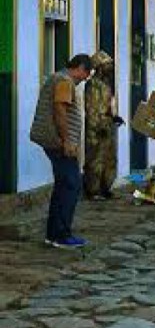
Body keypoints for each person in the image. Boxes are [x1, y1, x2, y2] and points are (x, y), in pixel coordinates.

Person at [30, 54, 92, 249]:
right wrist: (66, 141)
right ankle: (61, 234)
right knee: (71, 185)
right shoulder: (65, 81)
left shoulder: (57, 78)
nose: (85, 78)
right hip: (58, 142)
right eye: (86, 73)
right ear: (80, 67)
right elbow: (60, 111)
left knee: (63, 185)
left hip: (54, 140)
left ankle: (53, 234)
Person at [83, 51, 121, 200]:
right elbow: (92, 108)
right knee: (95, 160)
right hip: (97, 128)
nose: (110, 67)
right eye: (107, 65)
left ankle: (106, 187)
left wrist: (114, 117)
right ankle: (93, 190)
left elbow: (106, 105)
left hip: (108, 124)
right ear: (99, 67)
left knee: (109, 158)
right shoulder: (93, 84)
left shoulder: (106, 84)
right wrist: (98, 127)